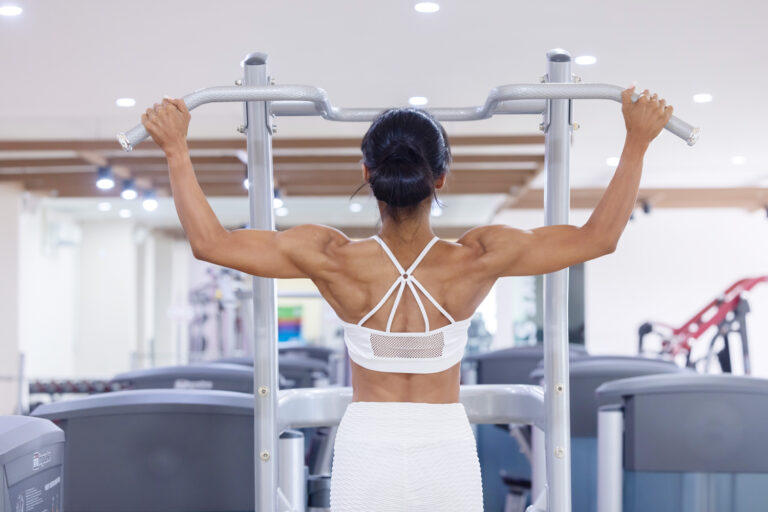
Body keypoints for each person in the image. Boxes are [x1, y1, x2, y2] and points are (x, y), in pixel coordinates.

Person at [142, 86, 672, 511]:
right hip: (445, 447)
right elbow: (599, 237)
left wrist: (174, 148)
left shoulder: (330, 255)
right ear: (439, 178)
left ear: (368, 175)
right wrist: (638, 141)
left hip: (366, 448)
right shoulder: (479, 255)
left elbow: (210, 243)